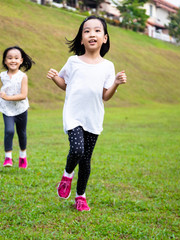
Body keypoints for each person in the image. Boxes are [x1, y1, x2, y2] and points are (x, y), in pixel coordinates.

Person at [46, 16, 127, 211]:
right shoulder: (73, 61)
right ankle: (67, 175)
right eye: (87, 31)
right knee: (76, 150)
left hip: (94, 117)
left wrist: (115, 83)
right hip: (73, 115)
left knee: (85, 161)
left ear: (105, 38)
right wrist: (55, 77)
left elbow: (106, 96)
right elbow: (66, 84)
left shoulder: (108, 66)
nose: (92, 34)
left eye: (97, 30)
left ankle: (80, 196)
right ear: (81, 39)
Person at [0, 46, 34, 169]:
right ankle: (8, 158)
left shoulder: (23, 76)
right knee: (9, 131)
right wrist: (0, 99)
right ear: (5, 61)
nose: (13, 60)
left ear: (21, 61)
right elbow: (4, 90)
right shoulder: (2, 75)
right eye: (10, 58)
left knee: (21, 133)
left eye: (16, 58)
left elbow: (23, 95)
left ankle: (23, 156)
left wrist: (6, 98)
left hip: (21, 109)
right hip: (7, 109)